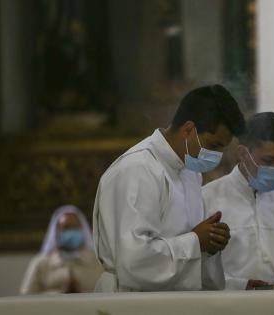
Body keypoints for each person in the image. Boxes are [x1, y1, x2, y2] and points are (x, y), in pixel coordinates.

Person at [93, 85, 245, 292]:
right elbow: (133, 261)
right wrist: (196, 241)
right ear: (189, 129)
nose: (216, 157)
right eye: (213, 145)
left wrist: (210, 243)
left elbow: (189, 254)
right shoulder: (139, 169)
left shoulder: (190, 174)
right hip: (129, 301)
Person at [202, 112, 274, 290]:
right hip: (224, 307)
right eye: (268, 160)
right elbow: (198, 268)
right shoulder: (207, 199)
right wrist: (240, 286)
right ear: (243, 153)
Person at [20, 205, 102, 294]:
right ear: (56, 232)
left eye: (74, 227)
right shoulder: (41, 263)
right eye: (66, 228)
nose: (70, 232)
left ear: (82, 230)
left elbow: (105, 294)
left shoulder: (97, 262)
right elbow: (26, 295)